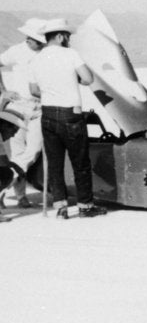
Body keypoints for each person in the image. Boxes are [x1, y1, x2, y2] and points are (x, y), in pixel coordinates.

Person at [26, 18, 107, 218]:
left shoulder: (35, 59)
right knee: (80, 162)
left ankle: (60, 207)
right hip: (70, 114)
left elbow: (34, 90)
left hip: (48, 114)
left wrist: (51, 90)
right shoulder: (70, 54)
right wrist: (72, 80)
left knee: (55, 163)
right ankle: (85, 206)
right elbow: (88, 79)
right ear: (61, 36)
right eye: (67, 36)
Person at [0, 18, 46, 209]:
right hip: (17, 107)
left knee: (33, 150)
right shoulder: (17, 51)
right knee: (16, 152)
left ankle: (2, 184)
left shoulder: (48, 54)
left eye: (33, 38)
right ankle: (20, 197)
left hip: (39, 108)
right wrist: (3, 91)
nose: (29, 40)